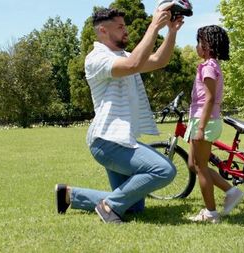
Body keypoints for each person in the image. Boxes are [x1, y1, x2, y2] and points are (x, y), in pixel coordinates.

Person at [55, 7, 184, 223]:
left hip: (121, 140)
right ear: (103, 30)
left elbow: (159, 61)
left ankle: (69, 194)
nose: (126, 30)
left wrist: (171, 31)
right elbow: (133, 64)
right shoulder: (96, 58)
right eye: (121, 27)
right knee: (165, 170)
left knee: (134, 206)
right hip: (107, 142)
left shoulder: (122, 55)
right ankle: (109, 207)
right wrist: (154, 26)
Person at [185, 25, 244, 223]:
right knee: (193, 164)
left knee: (201, 167)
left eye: (198, 42)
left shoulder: (209, 66)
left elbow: (209, 99)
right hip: (200, 119)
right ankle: (231, 191)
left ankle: (211, 213)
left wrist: (200, 127)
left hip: (205, 120)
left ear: (207, 45)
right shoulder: (208, 65)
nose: (196, 47)